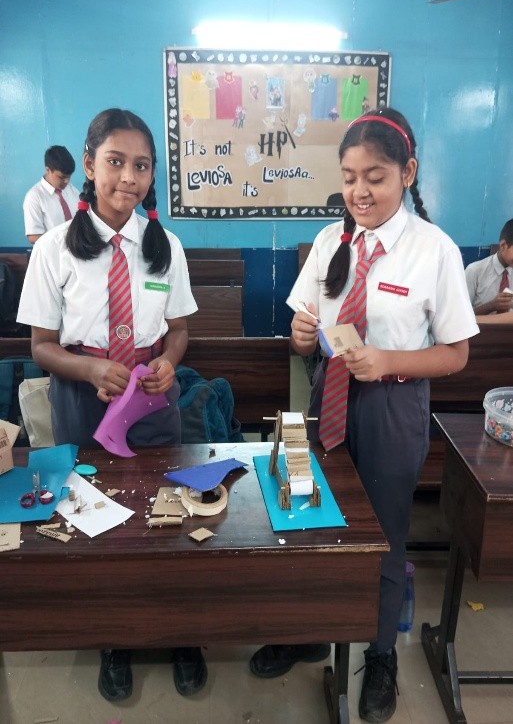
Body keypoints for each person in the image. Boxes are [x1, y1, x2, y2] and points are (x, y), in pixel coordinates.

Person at [249, 108, 479, 723]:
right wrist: (301, 335)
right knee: (310, 517)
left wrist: (389, 360)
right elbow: (303, 331)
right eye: (349, 177)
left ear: (408, 172)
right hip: (326, 394)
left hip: (392, 406)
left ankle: (379, 654)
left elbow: (457, 354)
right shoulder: (332, 240)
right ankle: (309, 631)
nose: (359, 191)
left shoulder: (432, 249)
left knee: (381, 533)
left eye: (374, 177)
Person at [17, 108, 207, 703]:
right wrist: (91, 369)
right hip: (82, 394)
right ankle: (114, 637)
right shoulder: (55, 248)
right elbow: (41, 346)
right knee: (94, 512)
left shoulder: (165, 245)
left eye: (142, 166)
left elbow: (179, 329)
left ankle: (180, 631)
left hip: (151, 393)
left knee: (168, 511)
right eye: (115, 162)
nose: (129, 177)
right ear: (90, 163)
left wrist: (169, 361)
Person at [23, 145, 80, 244]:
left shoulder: (72, 190)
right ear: (48, 170)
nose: (67, 181)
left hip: (76, 248)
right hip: (52, 251)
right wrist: (61, 243)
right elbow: (33, 236)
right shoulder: (34, 197)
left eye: (69, 177)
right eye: (62, 177)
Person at [465, 219, 513, 315]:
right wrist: (491, 306)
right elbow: (460, 314)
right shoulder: (474, 271)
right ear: (503, 246)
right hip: (480, 324)